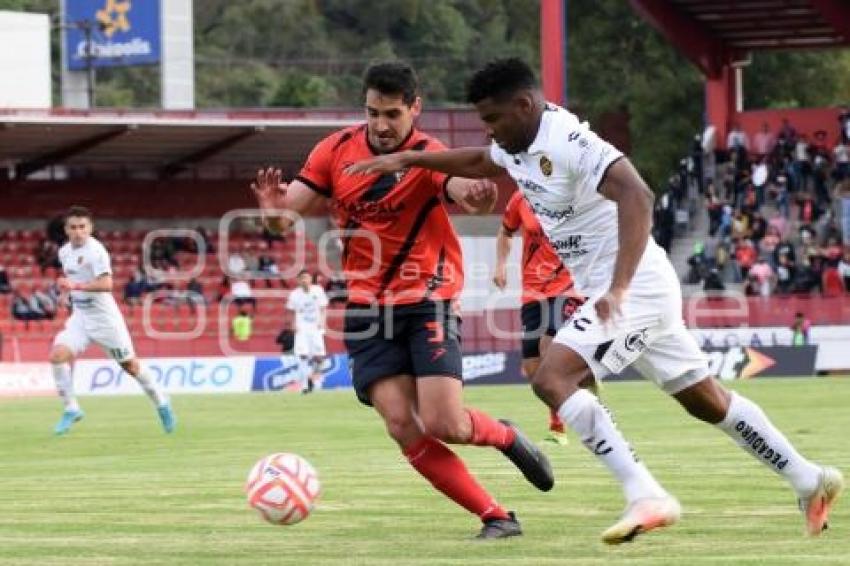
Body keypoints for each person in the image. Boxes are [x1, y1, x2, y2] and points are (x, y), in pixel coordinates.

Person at [348, 58, 843, 543]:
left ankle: (645, 494)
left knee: (552, 377)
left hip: (633, 288)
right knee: (706, 401)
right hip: (633, 291)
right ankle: (808, 478)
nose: (490, 131)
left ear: (523, 105)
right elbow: (481, 160)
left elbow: (638, 195)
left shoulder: (567, 140)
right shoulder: (517, 142)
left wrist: (620, 287)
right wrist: (410, 159)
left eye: (493, 119)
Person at [250, 61, 552, 539]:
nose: (382, 125)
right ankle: (496, 516)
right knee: (400, 423)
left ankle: (507, 437)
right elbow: (287, 218)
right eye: (373, 113)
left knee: (445, 423)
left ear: (415, 107)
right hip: (367, 305)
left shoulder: (429, 155)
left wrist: (475, 196)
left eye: (392, 113)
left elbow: (464, 191)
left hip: (426, 296)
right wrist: (272, 215)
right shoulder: (334, 151)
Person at [48, 206, 176, 435]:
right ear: (66, 229)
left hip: (105, 320)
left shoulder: (96, 251)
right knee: (57, 356)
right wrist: (66, 293)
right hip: (80, 317)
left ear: (90, 228)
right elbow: (72, 277)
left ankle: (162, 404)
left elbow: (107, 285)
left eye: (82, 227)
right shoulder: (64, 252)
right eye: (73, 227)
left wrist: (75, 286)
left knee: (131, 366)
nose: (78, 231)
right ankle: (71, 409)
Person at [493, 190, 584, 445]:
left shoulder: (572, 196)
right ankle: (583, 379)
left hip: (569, 288)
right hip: (532, 292)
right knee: (535, 373)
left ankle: (559, 428)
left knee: (548, 347)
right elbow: (505, 232)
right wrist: (500, 265)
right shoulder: (520, 198)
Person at [286, 270, 329, 394]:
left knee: (320, 358)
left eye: (307, 277)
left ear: (310, 279)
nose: (305, 280)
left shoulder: (318, 290)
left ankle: (311, 377)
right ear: (298, 280)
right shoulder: (294, 294)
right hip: (302, 329)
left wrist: (322, 321)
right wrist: (293, 324)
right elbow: (290, 311)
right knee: (303, 355)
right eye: (302, 278)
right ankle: (305, 385)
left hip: (316, 328)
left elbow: (323, 308)